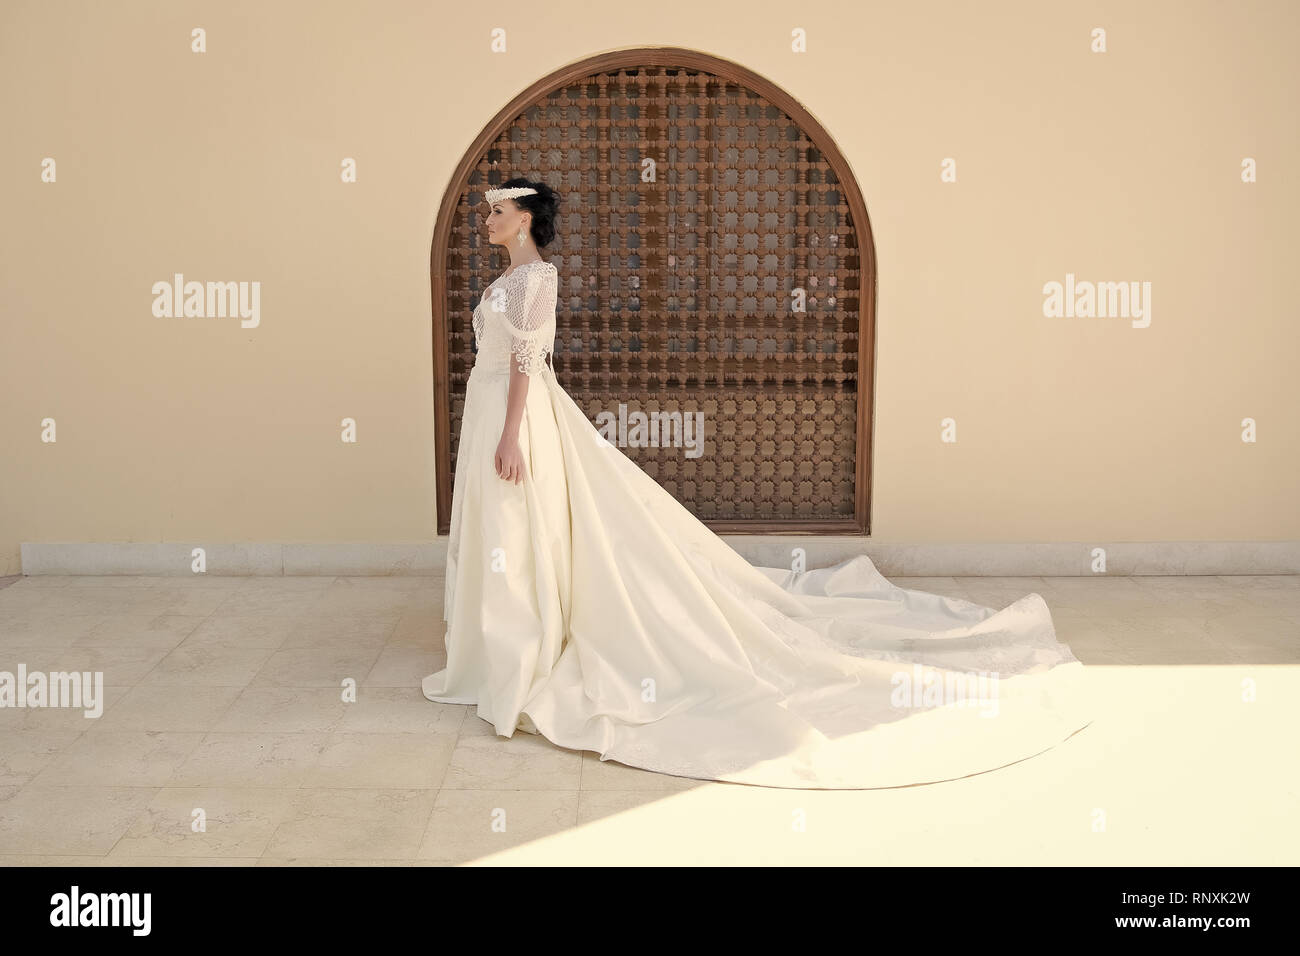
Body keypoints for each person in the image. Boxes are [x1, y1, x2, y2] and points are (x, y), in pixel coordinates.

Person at [422, 177, 1091, 789]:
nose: (487, 221)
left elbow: (524, 362)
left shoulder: (538, 278)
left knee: (519, 523)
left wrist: (512, 434)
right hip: (489, 413)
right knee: (502, 529)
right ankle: (494, 652)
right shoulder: (505, 280)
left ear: (526, 218)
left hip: (519, 415)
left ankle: (522, 656)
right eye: (489, 214)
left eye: (498, 212)